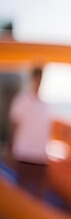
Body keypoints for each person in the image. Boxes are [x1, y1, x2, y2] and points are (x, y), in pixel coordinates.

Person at [8, 67, 51, 197]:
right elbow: (14, 125)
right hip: (23, 153)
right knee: (21, 192)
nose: (38, 81)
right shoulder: (22, 100)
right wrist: (11, 148)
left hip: (40, 155)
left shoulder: (44, 105)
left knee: (39, 193)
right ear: (32, 78)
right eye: (36, 77)